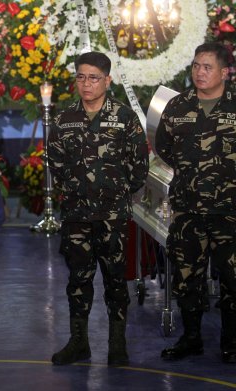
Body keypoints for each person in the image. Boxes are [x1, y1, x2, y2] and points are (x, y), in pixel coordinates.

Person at [47, 51, 149, 366]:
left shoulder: (125, 117)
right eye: (81, 77)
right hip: (77, 215)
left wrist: (114, 193)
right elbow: (56, 163)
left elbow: (139, 167)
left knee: (116, 281)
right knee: (78, 280)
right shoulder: (64, 118)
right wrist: (79, 192)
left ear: (107, 80)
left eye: (93, 78)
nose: (86, 84)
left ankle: (117, 344)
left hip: (113, 214)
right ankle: (79, 343)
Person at [156, 42, 236, 363]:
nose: (199, 73)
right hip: (187, 209)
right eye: (195, 66)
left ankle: (230, 342)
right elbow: (164, 146)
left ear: (225, 72)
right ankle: (191, 338)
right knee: (187, 277)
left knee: (232, 279)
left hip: (229, 211)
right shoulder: (178, 106)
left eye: (207, 67)